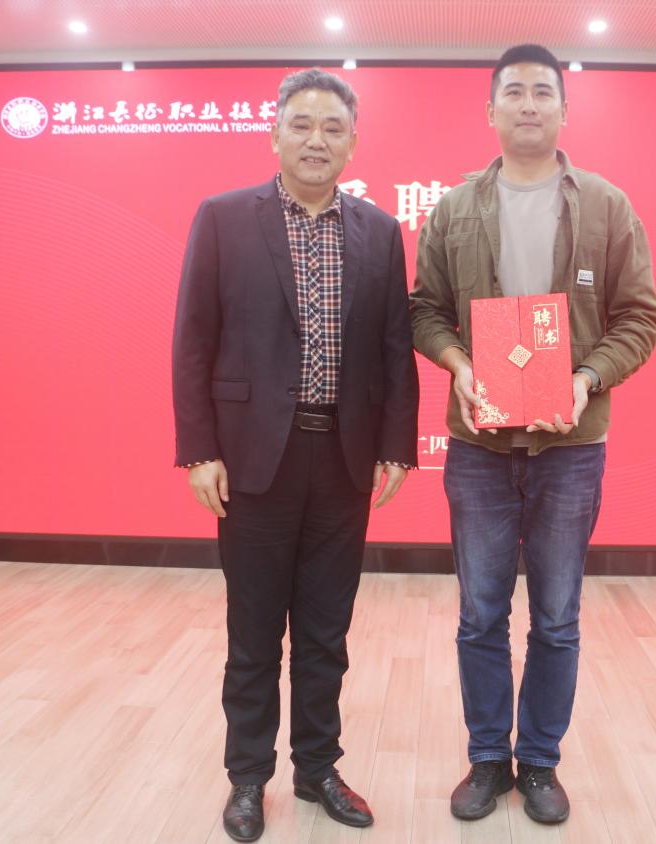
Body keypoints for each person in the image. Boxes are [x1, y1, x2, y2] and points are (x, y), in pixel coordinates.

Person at [409, 44, 656, 825]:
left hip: (570, 449)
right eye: (513, 92)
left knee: (555, 616)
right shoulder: (454, 209)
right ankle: (488, 757)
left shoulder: (607, 207)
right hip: (479, 449)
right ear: (490, 110)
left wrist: (585, 379)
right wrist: (457, 364)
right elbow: (423, 311)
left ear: (562, 110)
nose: (527, 104)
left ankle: (541, 761)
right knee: (480, 612)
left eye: (542, 92)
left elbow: (639, 319)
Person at [172, 68, 419, 842]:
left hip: (341, 461)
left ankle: (317, 769)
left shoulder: (379, 231)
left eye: (332, 128)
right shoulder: (223, 218)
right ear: (274, 134)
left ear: (352, 143)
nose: (317, 140)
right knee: (252, 635)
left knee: (324, 632)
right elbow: (193, 339)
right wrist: (198, 450)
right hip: (252, 461)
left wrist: (396, 446)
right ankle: (248, 778)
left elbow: (395, 347)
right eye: (302, 125)